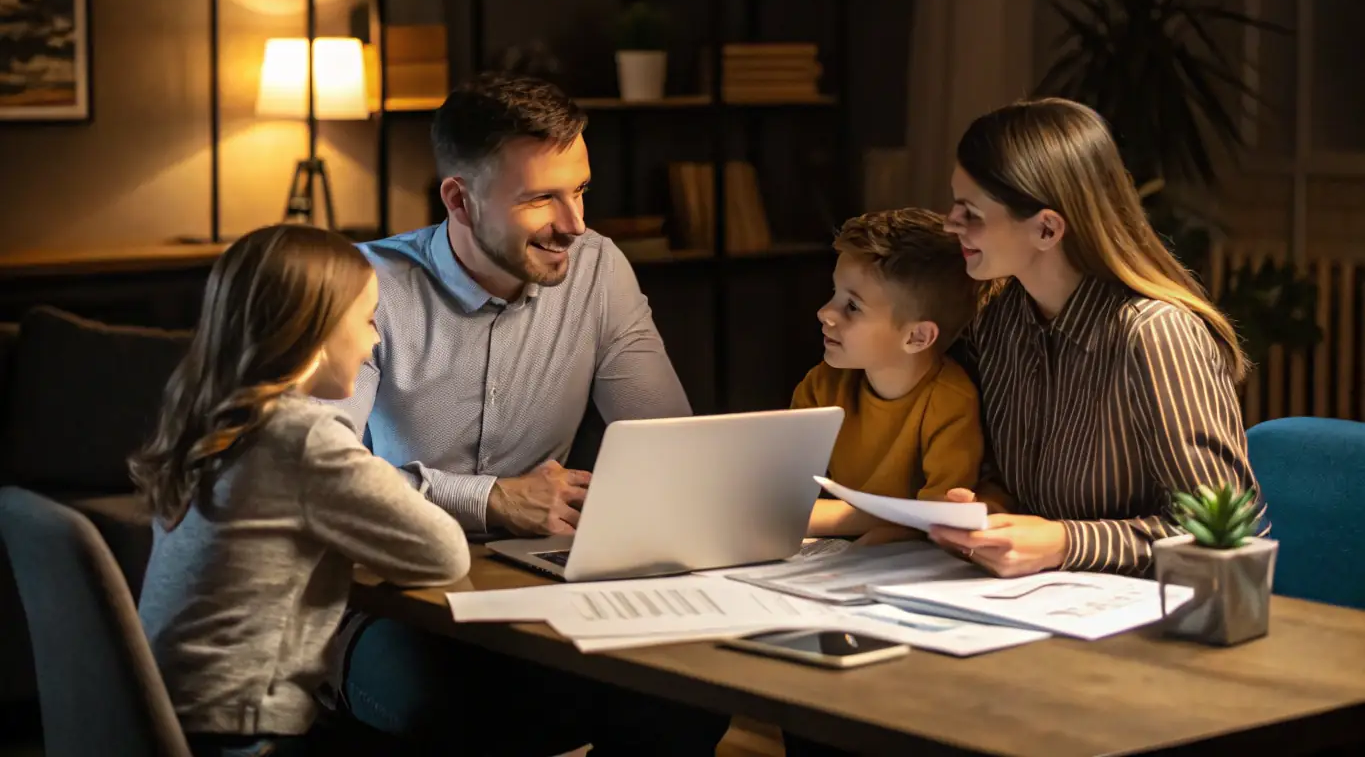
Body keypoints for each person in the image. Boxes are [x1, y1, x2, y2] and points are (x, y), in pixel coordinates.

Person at [330, 73, 727, 754]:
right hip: (384, 601)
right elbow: (322, 480)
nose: (574, 224)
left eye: (579, 190)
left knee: (689, 698)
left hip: (537, 590)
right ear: (459, 199)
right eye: (542, 197)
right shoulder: (364, 286)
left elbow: (669, 450)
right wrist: (492, 501)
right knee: (451, 711)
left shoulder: (599, 270)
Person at [131, 224, 471, 757]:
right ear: (318, 329)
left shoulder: (213, 421)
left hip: (175, 715)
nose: (374, 341)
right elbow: (445, 554)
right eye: (366, 320)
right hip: (246, 730)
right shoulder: (303, 437)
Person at [930, 97, 1263, 578]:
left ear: (1047, 229)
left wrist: (1067, 542)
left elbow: (1231, 536)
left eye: (972, 213)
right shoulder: (998, 320)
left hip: (1140, 620)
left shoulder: (1154, 334)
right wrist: (986, 506)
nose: (950, 224)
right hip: (1030, 603)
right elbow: (1009, 476)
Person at [792, 208, 984, 541]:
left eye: (852, 306)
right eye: (834, 294)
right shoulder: (821, 386)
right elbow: (781, 496)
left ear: (917, 337)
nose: (825, 313)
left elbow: (939, 516)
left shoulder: (950, 402)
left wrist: (826, 518)